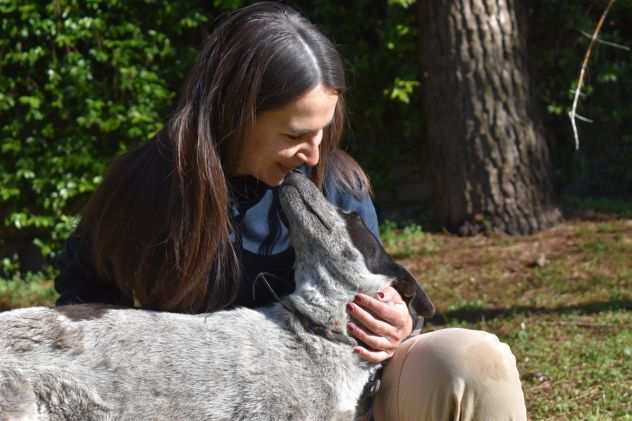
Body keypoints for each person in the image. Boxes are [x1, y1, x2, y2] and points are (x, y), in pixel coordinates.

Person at [54, 2, 527, 420]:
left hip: (348, 397)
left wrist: (403, 324)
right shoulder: (147, 187)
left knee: (474, 359)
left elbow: (374, 288)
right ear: (235, 114)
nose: (314, 154)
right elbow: (82, 308)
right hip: (209, 402)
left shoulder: (336, 185)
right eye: (295, 135)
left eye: (323, 129)